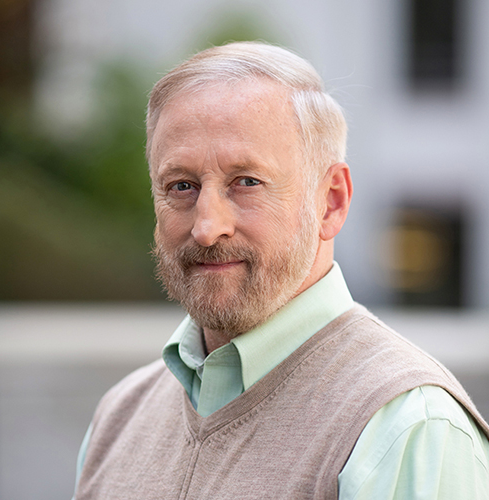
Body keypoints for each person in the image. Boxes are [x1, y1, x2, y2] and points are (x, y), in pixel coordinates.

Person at [73, 42, 489, 499]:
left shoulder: (407, 429)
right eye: (181, 186)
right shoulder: (119, 418)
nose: (208, 228)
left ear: (331, 200)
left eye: (246, 182)